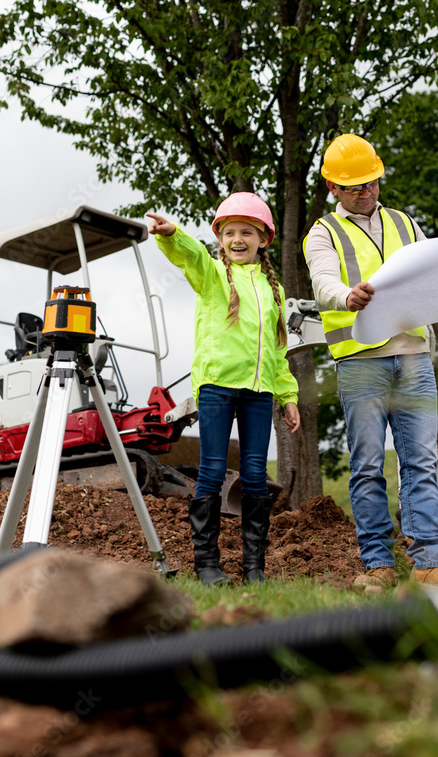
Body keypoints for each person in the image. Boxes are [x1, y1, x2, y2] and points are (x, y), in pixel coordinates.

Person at [303, 134, 438, 592]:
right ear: (333, 187)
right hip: (360, 362)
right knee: (368, 464)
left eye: (372, 182)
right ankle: (378, 564)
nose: (366, 191)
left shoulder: (404, 222)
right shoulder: (323, 232)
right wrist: (346, 296)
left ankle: (431, 560)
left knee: (421, 462)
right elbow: (323, 282)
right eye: (355, 186)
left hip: (413, 359)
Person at [147, 193, 300, 586]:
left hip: (260, 391)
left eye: (247, 232)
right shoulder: (213, 274)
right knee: (212, 471)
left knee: (253, 474)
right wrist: (172, 236)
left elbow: (279, 351)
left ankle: (254, 569)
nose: (237, 239)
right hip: (216, 386)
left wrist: (288, 395)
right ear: (220, 239)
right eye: (229, 232)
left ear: (263, 238)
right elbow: (191, 258)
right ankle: (208, 566)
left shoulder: (274, 290)